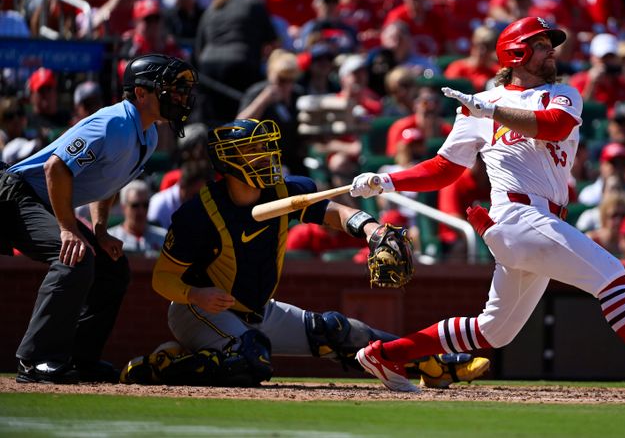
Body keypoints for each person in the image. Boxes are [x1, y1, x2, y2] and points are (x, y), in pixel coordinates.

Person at [349, 16, 625, 396]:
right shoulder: (482, 105)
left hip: (542, 220)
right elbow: (445, 169)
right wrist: (387, 181)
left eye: (549, 45)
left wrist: (489, 112)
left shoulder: (561, 95)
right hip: (514, 214)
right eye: (541, 45)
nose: (551, 52)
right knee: (610, 274)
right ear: (516, 52)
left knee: (494, 329)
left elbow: (555, 126)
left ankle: (386, 354)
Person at [132, 118, 488, 388]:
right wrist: (196, 293)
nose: (265, 156)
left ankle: (433, 361)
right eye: (253, 152)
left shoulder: (283, 190)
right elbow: (162, 277)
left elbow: (332, 213)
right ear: (230, 163)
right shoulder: (198, 213)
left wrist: (371, 228)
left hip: (258, 310)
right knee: (249, 360)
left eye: (266, 148)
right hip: (197, 310)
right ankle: (162, 365)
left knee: (335, 331)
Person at [0, 53, 197, 383]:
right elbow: (56, 168)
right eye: (171, 89)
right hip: (13, 195)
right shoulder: (114, 122)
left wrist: (102, 231)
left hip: (42, 200)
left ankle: (80, 358)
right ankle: (34, 360)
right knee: (74, 259)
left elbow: (110, 182)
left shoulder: (146, 136)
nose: (179, 97)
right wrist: (67, 229)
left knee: (112, 268)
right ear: (141, 93)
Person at [108, 179, 167, 258]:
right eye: (135, 205)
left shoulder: (163, 238)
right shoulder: (111, 239)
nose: (141, 211)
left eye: (145, 205)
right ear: (124, 207)